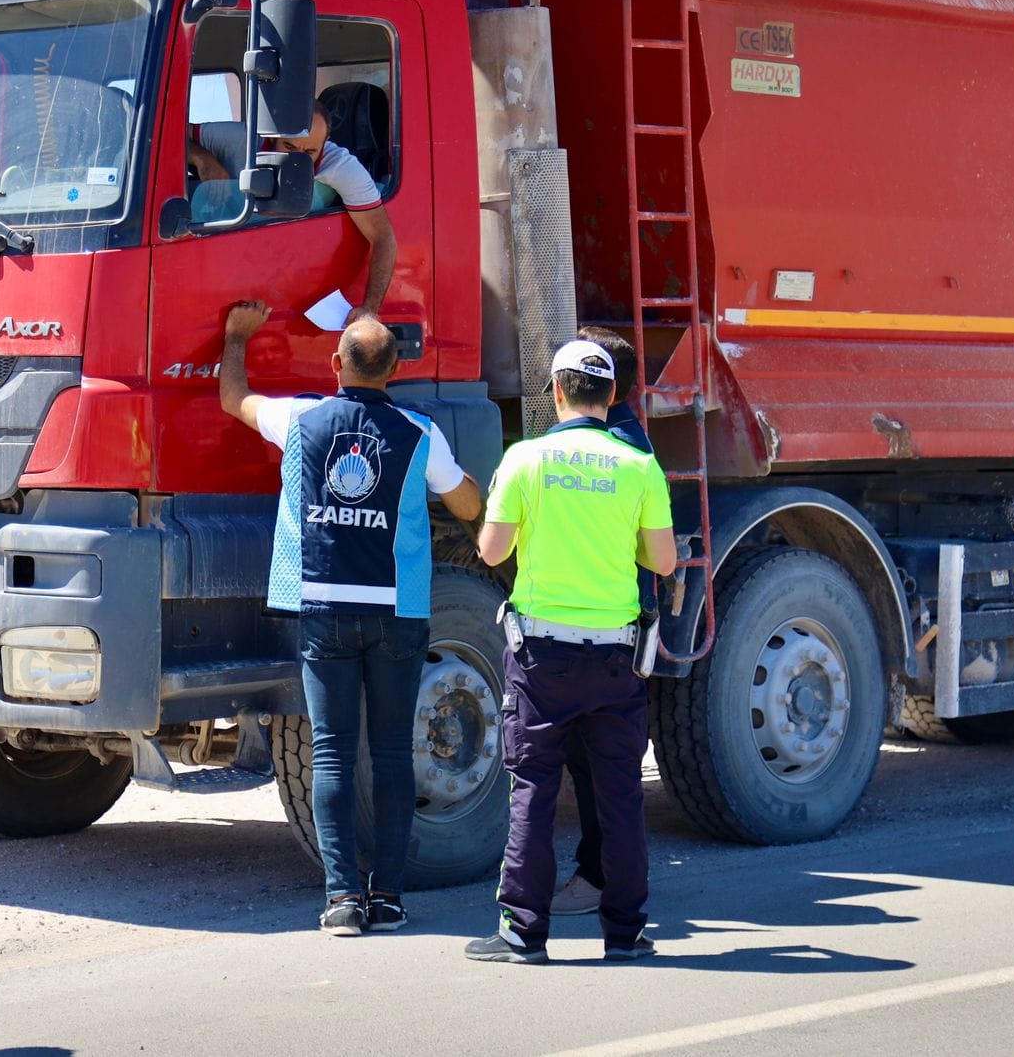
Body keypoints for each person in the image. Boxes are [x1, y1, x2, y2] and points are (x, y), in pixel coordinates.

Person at [219, 301, 481, 936]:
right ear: (394, 371)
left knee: (333, 754)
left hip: (323, 606)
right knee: (391, 754)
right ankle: (388, 897)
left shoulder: (299, 418)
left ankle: (342, 899)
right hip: (397, 611)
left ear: (336, 364)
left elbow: (234, 398)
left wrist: (235, 336)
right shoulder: (420, 432)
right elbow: (469, 504)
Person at [468, 339, 676, 964]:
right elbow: (662, 560)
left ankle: (524, 935)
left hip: (541, 660)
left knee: (533, 788)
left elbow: (492, 551)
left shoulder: (526, 459)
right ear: (612, 398)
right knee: (620, 794)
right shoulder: (640, 466)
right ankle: (626, 933)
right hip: (617, 660)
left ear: (555, 392)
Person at [547, 327, 655, 919]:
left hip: (607, 627)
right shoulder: (628, 441)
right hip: (616, 624)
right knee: (602, 761)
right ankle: (615, 882)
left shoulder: (617, 448)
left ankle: (599, 877)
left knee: (597, 764)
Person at [189, 97, 398, 320]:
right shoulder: (241, 139)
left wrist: (369, 311)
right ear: (271, 135)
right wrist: (203, 158)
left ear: (325, 143)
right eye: (288, 146)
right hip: (222, 258)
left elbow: (383, 238)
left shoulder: (341, 167)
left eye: (309, 152)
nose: (296, 160)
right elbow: (165, 138)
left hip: (286, 278)